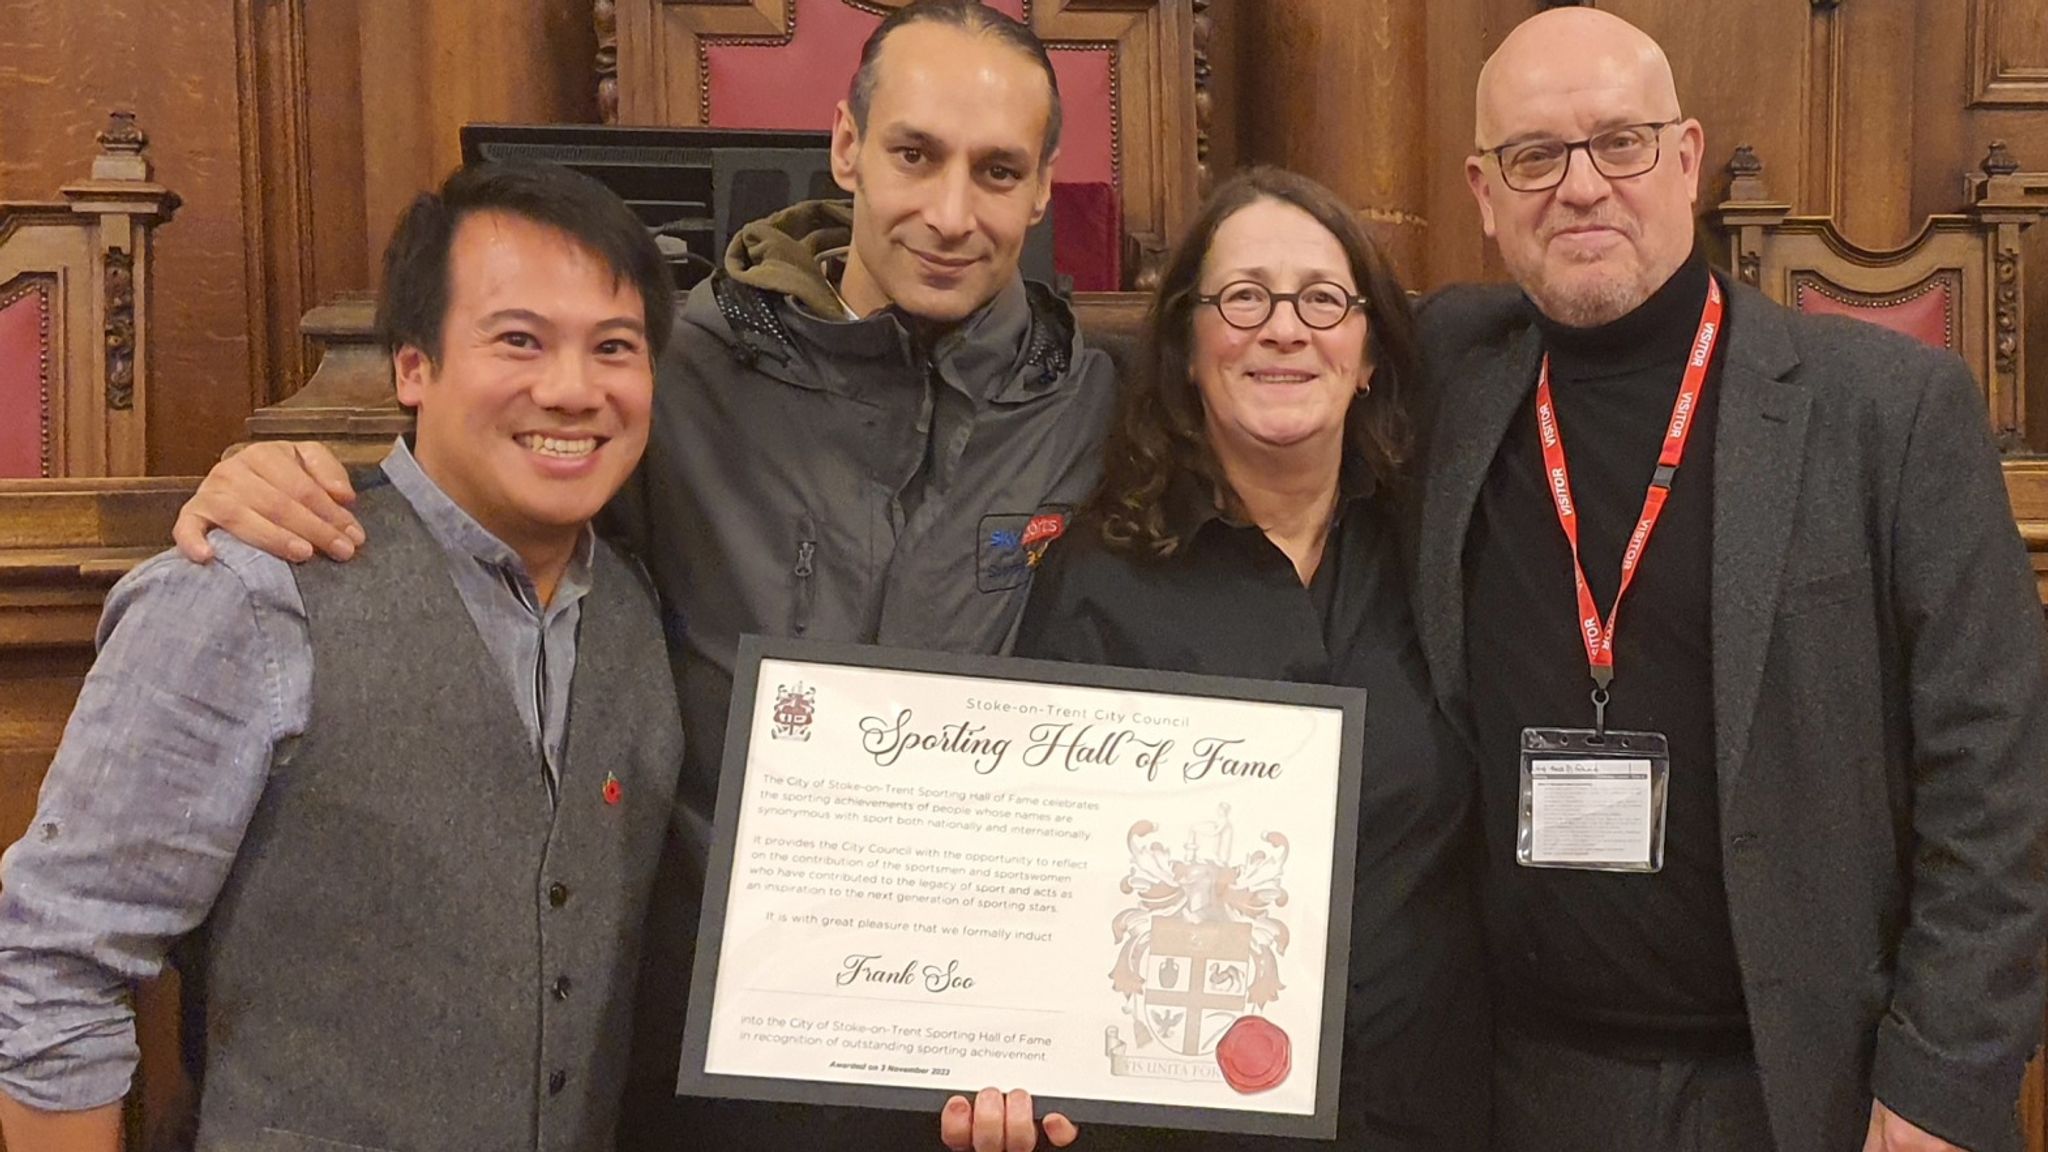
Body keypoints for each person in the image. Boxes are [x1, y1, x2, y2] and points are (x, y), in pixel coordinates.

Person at [163, 3, 1115, 1148]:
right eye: (913, 154)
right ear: (846, 147)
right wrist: (268, 478)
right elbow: (485, 488)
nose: (950, 212)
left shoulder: (1099, 404)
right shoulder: (666, 364)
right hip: (695, 1040)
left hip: (978, 1047)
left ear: (1043, 184)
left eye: (997, 170)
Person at [1413, 8, 2048, 1152]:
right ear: (1481, 190)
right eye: (1533, 156)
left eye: (1621, 141)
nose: (1580, 186)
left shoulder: (1887, 412)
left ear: (1687, 156)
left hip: (1815, 1088)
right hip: (1520, 1086)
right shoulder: (1447, 387)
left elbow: (1998, 770)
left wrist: (1939, 1084)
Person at [0, 160, 685, 1151]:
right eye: (518, 341)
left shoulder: (636, 608)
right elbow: (53, 960)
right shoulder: (249, 593)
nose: (572, 389)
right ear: (415, 365)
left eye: (613, 347)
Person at [941, 165, 1489, 1152]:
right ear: (1188, 349)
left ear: (1368, 354)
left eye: (1323, 299)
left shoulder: (1439, 555)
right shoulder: (1096, 580)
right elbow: (1029, 866)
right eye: (1242, 298)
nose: (1283, 328)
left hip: (1422, 1114)